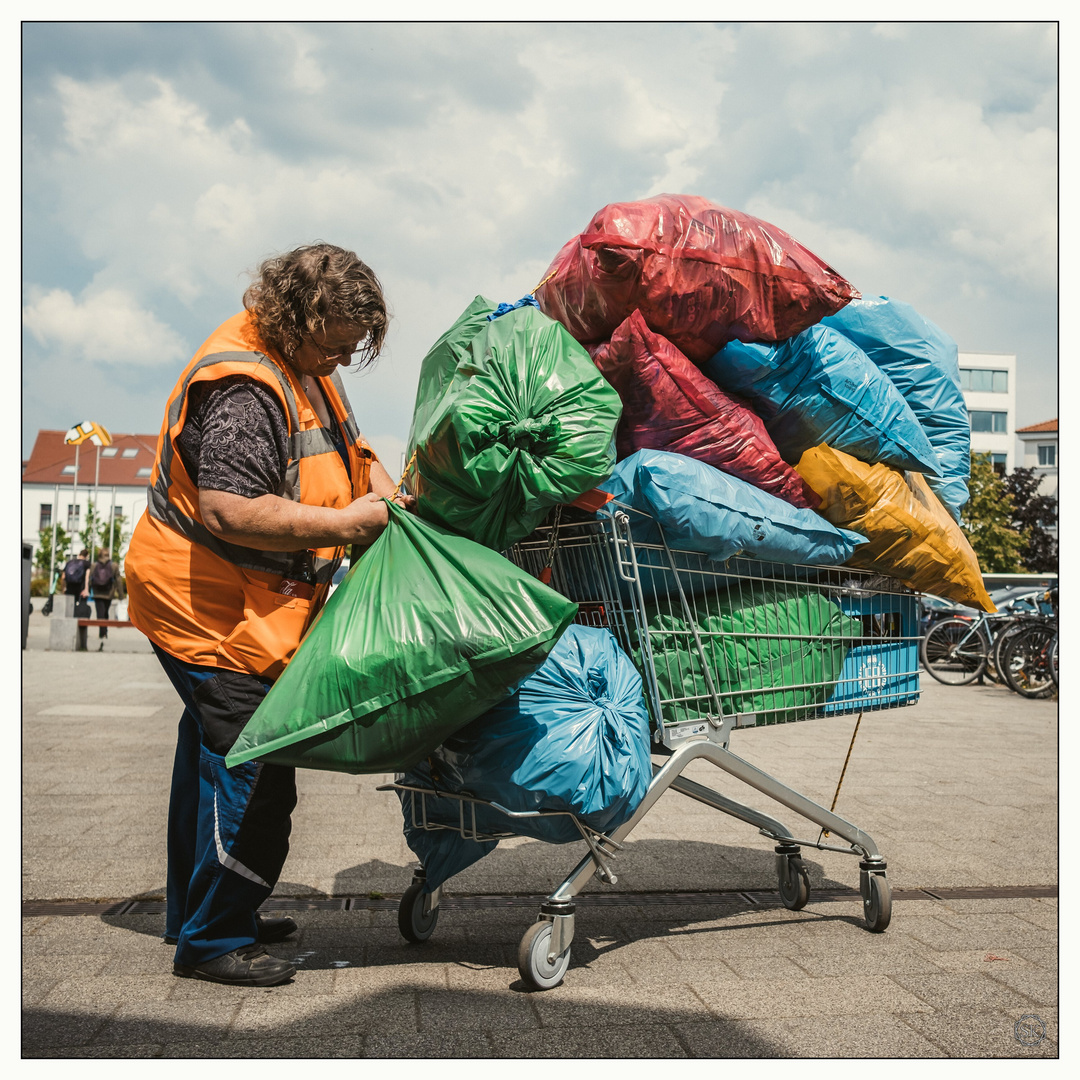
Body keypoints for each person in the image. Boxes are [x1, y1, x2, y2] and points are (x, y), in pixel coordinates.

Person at [125, 243, 413, 988]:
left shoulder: (305, 365)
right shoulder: (246, 388)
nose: (344, 359)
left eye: (356, 347)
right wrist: (351, 525)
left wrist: (396, 502)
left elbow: (352, 455)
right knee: (255, 771)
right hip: (209, 614)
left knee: (209, 758)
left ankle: (201, 911)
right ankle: (214, 940)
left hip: (244, 610)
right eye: (336, 344)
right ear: (297, 319)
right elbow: (229, 508)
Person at [88, 548, 122, 650]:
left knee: (100, 613)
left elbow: (90, 579)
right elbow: (118, 580)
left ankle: (101, 632)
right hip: (108, 593)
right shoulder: (114, 565)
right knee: (105, 612)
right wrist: (121, 595)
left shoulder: (94, 565)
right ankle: (105, 632)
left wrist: (89, 590)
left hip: (97, 593)